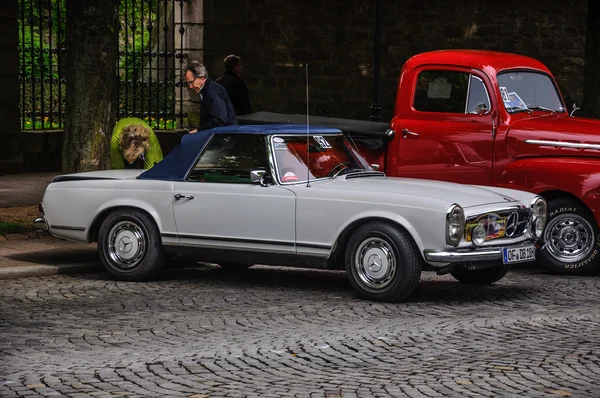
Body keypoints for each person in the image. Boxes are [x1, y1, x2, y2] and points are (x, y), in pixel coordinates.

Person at [184, 61, 238, 133]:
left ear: (202, 77)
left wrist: (199, 130)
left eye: (191, 82)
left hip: (224, 138)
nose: (190, 86)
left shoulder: (212, 91)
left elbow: (219, 120)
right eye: (188, 83)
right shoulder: (208, 90)